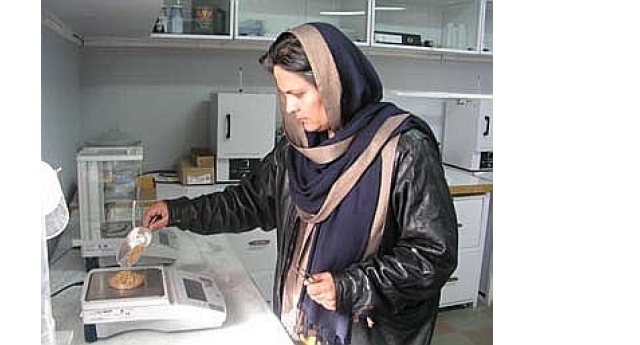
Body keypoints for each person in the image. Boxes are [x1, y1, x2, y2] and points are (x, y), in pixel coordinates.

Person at [143, 22, 458, 345]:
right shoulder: (298, 149)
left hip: (367, 332)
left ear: (334, 84)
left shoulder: (403, 148)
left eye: (298, 94)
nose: (290, 107)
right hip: (301, 322)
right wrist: (178, 211)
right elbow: (247, 202)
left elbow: (433, 254)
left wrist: (354, 286)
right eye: (284, 95)